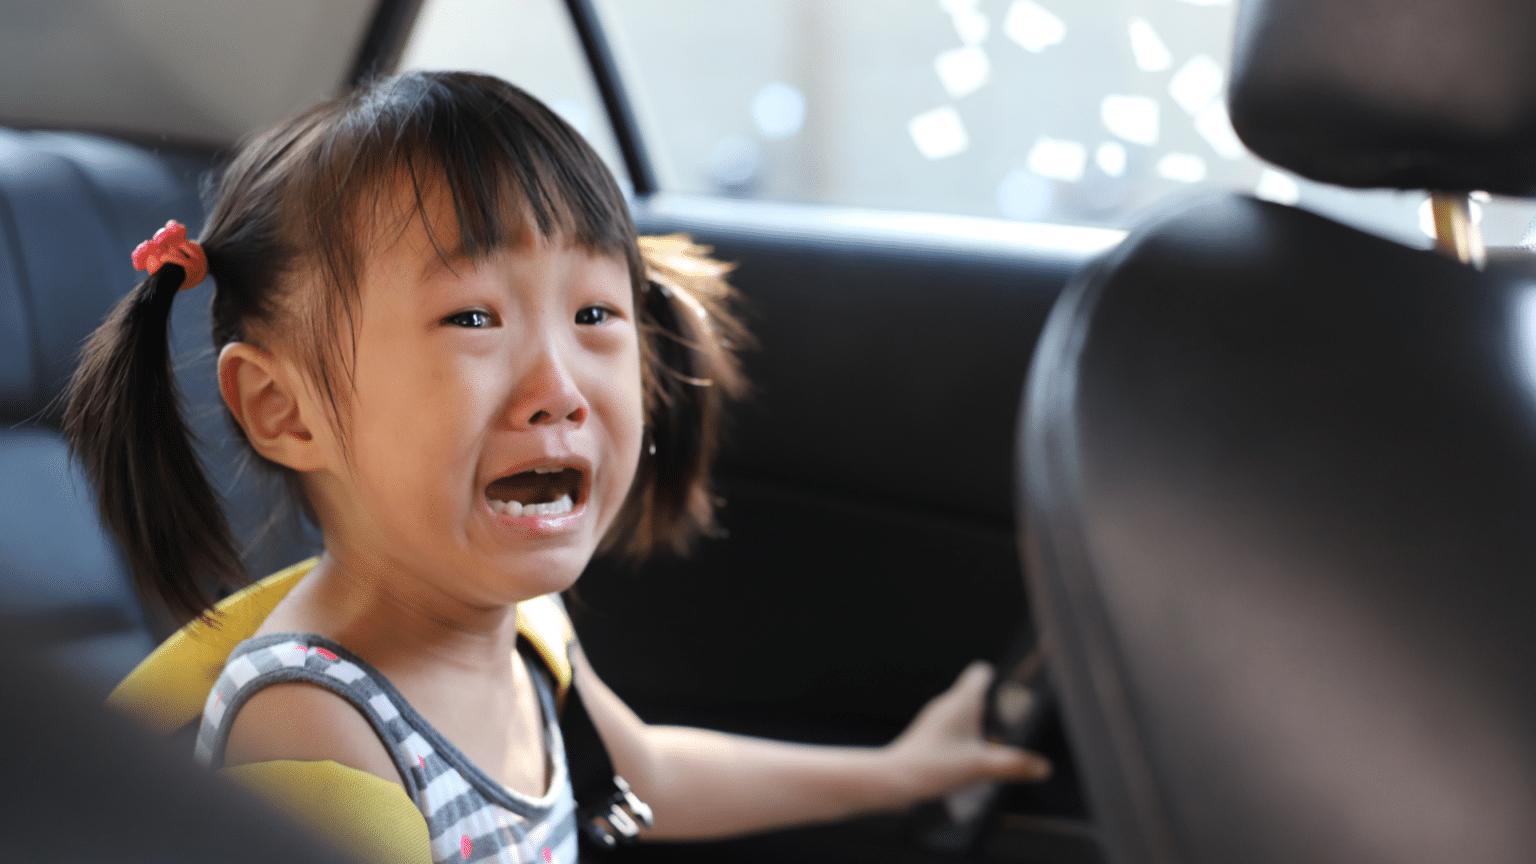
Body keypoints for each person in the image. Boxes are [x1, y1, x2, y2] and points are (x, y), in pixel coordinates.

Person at [64, 71, 1048, 864]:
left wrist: (897, 772)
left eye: (594, 314)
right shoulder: (315, 730)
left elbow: (642, 775)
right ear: (283, 410)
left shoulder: (528, 628)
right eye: (473, 318)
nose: (560, 386)